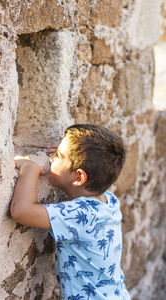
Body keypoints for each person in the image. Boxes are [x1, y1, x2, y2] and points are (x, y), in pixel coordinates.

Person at [10, 124, 131, 300]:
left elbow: (21, 211)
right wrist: (66, 158)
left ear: (79, 177)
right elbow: (93, 160)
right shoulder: (108, 200)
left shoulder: (80, 215)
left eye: (57, 155)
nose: (51, 158)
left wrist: (29, 168)